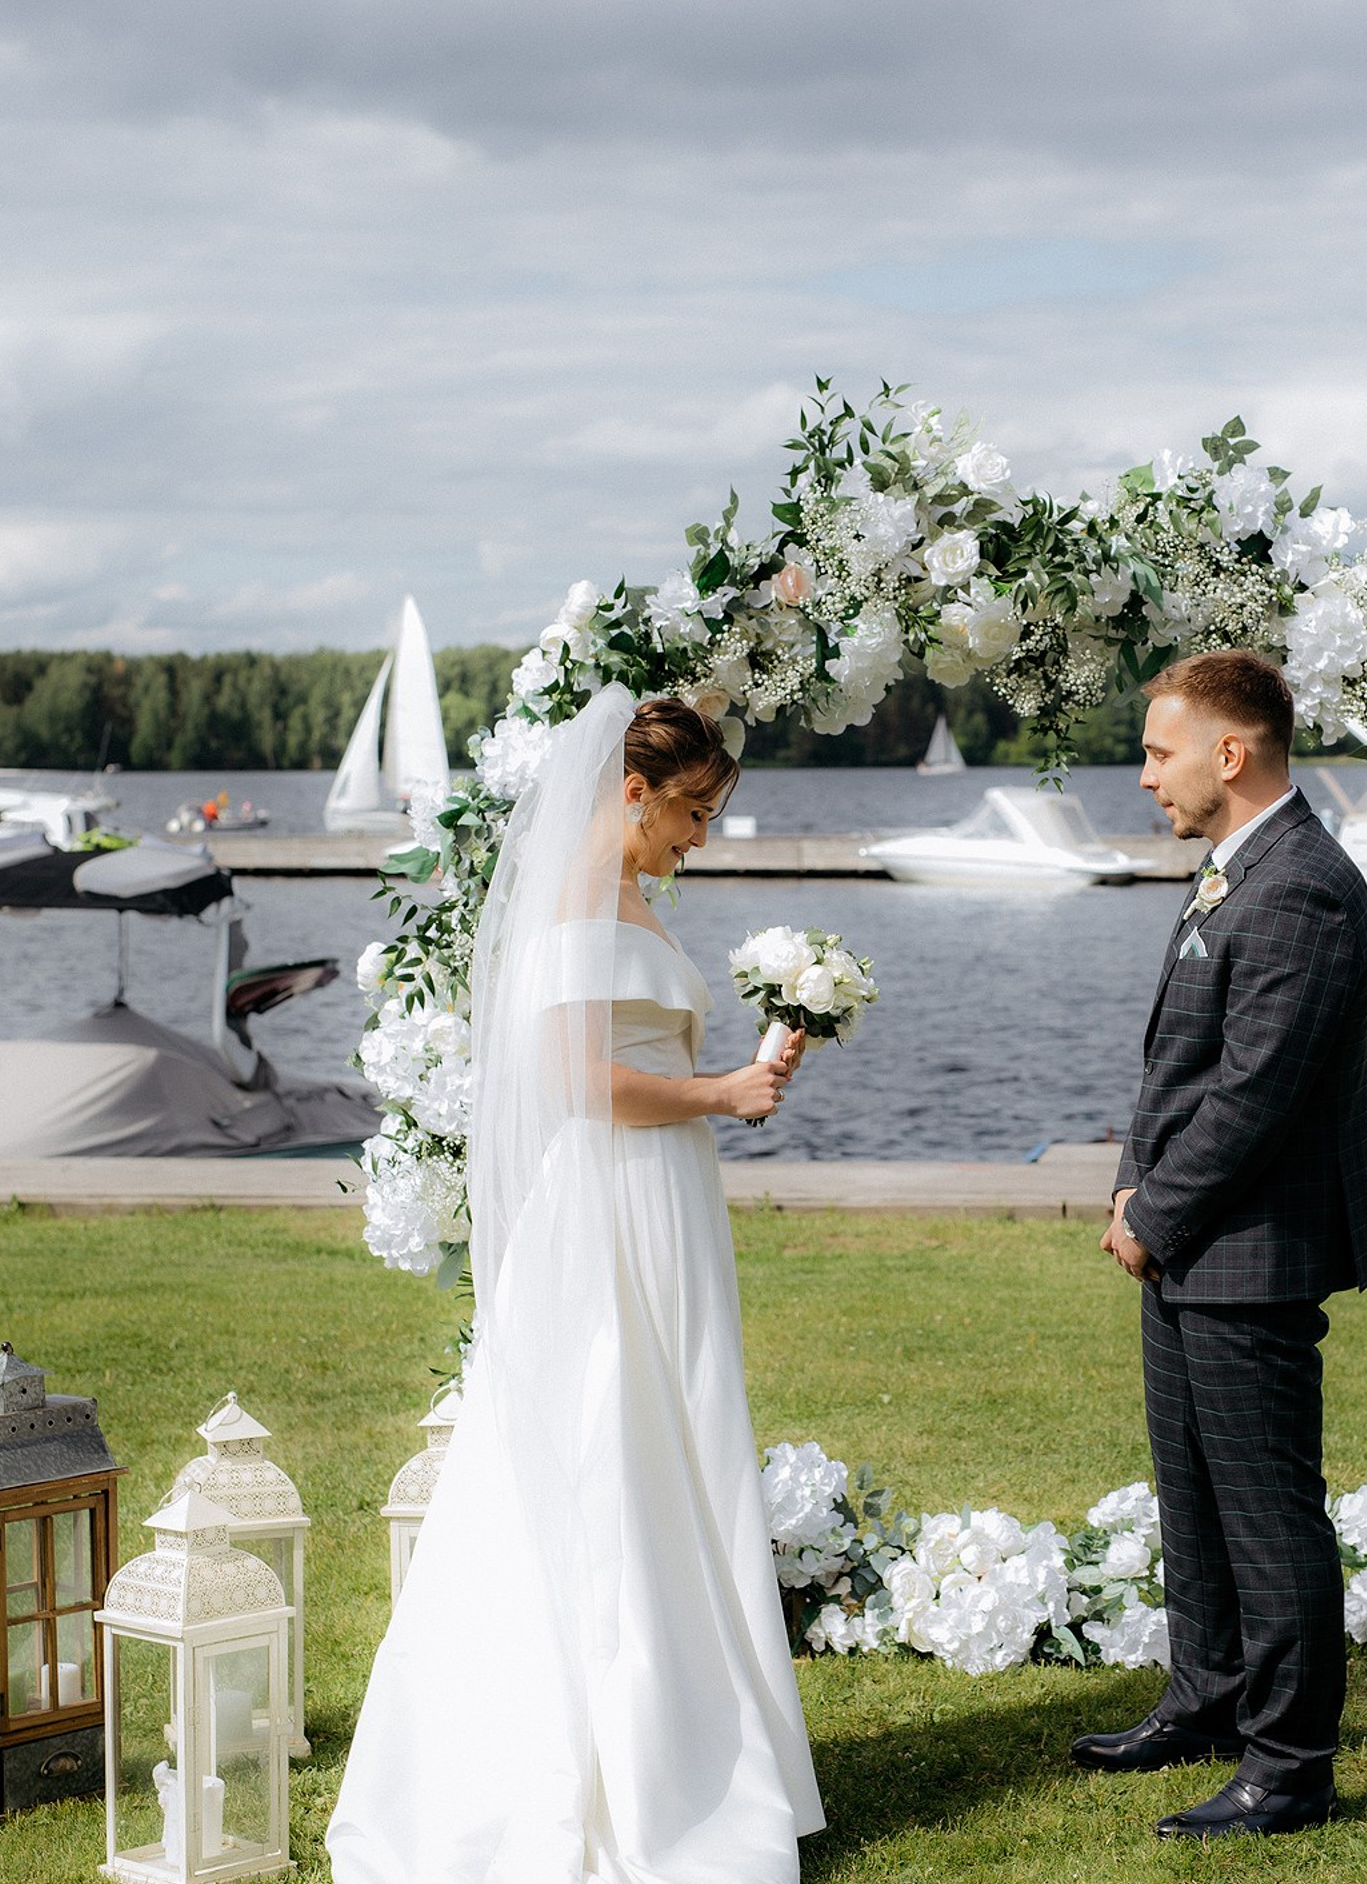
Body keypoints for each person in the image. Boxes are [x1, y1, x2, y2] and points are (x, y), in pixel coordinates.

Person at [328, 687, 824, 1884]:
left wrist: (752, 1067)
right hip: (606, 1205)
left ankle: (700, 1732)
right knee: (605, 1442)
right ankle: (611, 1763)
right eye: (691, 811)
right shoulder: (565, 899)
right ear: (631, 791)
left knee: (678, 1441)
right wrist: (719, 1098)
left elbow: (646, 1052)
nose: (700, 835)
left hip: (665, 1200)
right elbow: (571, 1078)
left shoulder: (637, 894)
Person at [1072, 649, 1367, 1842]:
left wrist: (1152, 1213)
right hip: (1193, 1241)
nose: (1146, 775)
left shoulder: (1302, 883)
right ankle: (1205, 1700)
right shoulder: (1233, 868)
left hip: (1250, 1248)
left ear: (1230, 753)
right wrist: (1131, 1188)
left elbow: (1257, 1091)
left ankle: (1289, 1767)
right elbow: (1177, 1064)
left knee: (1267, 1510)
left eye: (1159, 751)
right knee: (1192, 1493)